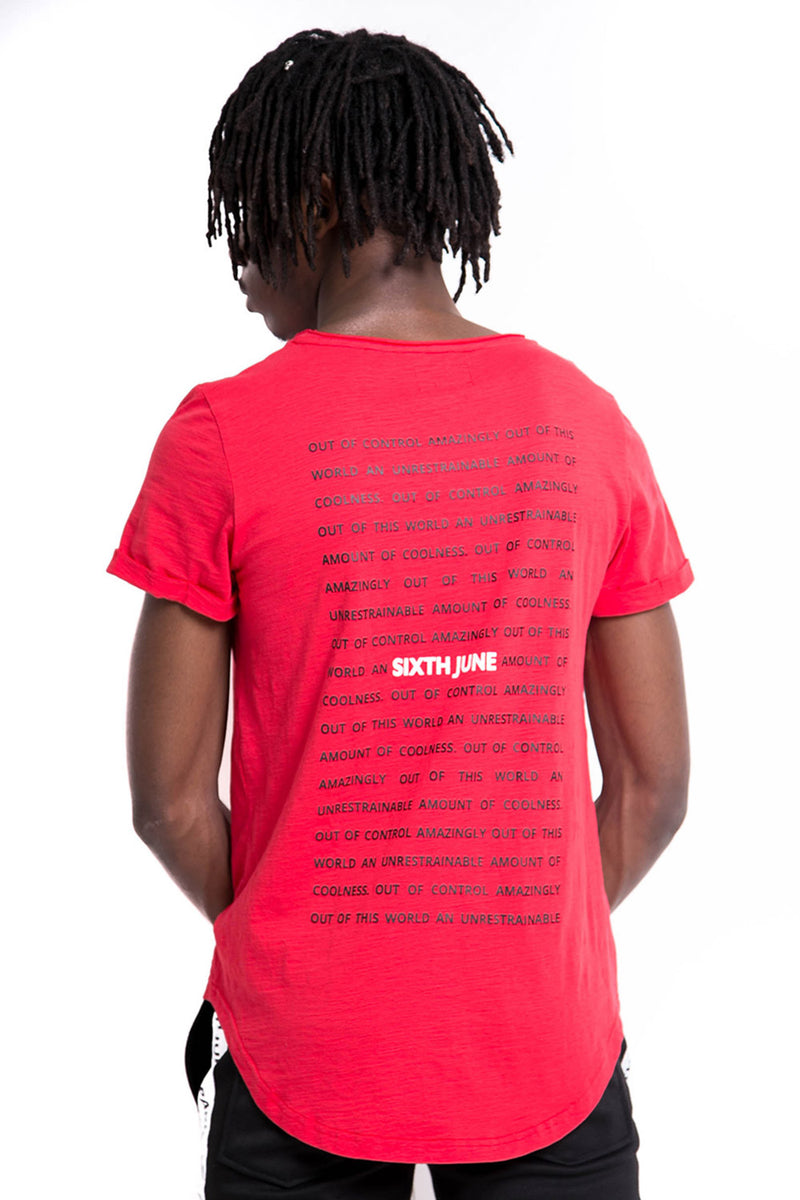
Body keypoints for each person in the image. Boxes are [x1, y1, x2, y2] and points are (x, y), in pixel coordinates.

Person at [107, 27, 692, 1200]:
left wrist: (297, 937)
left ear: (321, 201)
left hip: (301, 1052)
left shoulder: (221, 435)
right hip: (546, 1044)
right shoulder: (585, 423)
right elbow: (650, 785)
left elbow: (166, 802)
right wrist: (501, 933)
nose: (235, 255)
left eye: (250, 205)